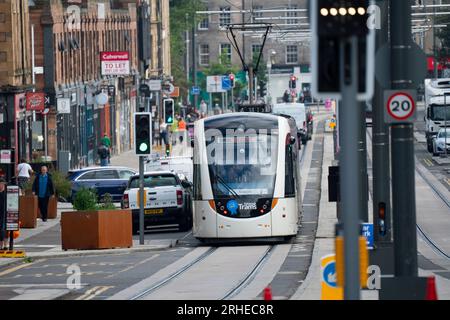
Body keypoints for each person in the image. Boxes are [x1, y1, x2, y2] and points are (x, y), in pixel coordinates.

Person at [0, 177, 7, 249]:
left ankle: (5, 245)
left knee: (4, 229)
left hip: (5, 213)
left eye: (2, 184)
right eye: (0, 184)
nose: (1, 185)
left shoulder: (7, 193)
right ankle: (1, 246)